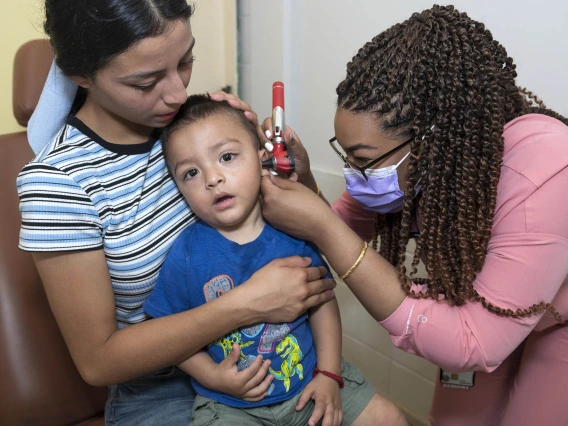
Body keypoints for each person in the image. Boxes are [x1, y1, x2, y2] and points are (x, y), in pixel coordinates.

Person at [17, 1, 339, 424]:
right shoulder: (58, 183)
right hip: (161, 388)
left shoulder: (192, 125)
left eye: (185, 61)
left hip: (274, 346)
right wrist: (247, 304)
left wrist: (299, 175)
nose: (177, 93)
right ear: (80, 76)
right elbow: (98, 362)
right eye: (146, 81)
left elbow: (302, 231)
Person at [259, 5, 568, 426]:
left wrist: (324, 225)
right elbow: (338, 227)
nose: (354, 173)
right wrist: (306, 183)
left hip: (556, 324)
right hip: (487, 318)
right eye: (345, 156)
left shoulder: (544, 165)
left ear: (431, 140)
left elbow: (473, 341)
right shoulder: (420, 168)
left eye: (362, 159)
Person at [142, 94, 403, 426]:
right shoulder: (186, 254)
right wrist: (211, 377)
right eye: (191, 173)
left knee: (389, 417)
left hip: (310, 383)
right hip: (232, 406)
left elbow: (322, 304)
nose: (212, 178)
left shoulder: (292, 230)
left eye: (226, 157)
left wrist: (327, 374)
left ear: (261, 157)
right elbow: (169, 334)